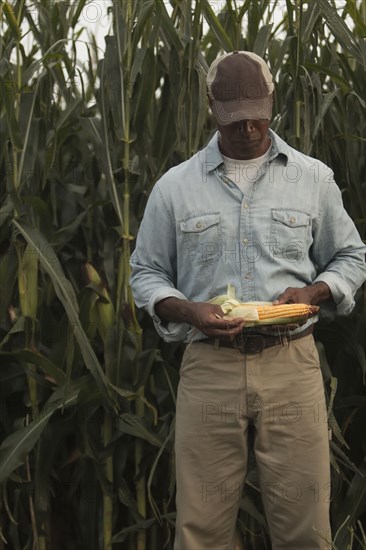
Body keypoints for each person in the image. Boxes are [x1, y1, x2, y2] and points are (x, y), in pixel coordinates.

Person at [130, 51, 366, 549]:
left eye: (257, 116)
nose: (248, 129)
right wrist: (190, 310)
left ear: (272, 102)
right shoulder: (175, 188)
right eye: (234, 120)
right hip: (209, 368)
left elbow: (350, 258)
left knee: (305, 527)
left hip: (292, 363)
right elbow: (146, 274)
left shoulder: (312, 179)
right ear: (211, 105)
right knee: (201, 529)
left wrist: (314, 292)